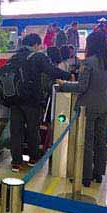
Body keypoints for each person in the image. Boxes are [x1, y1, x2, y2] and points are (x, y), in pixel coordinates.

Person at [7, 34, 71, 172]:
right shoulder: (37, 57)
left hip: (14, 99)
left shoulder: (14, 57)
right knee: (32, 129)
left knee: (16, 131)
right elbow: (51, 71)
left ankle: (16, 162)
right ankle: (33, 158)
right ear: (36, 44)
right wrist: (68, 75)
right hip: (32, 100)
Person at [60, 31, 107, 187]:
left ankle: (85, 176)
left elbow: (82, 87)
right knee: (100, 141)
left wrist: (64, 84)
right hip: (103, 106)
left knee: (86, 142)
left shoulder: (88, 63)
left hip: (87, 108)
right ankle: (98, 174)